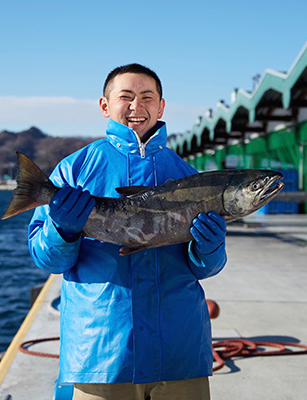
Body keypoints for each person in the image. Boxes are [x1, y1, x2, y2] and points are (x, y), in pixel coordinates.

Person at [28, 63, 227, 400]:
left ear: (162, 106)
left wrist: (209, 249)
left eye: (147, 97)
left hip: (179, 351)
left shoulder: (188, 175)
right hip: (101, 353)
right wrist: (62, 231)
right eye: (126, 97)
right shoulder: (74, 169)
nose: (137, 106)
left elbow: (204, 269)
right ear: (105, 105)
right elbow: (46, 259)